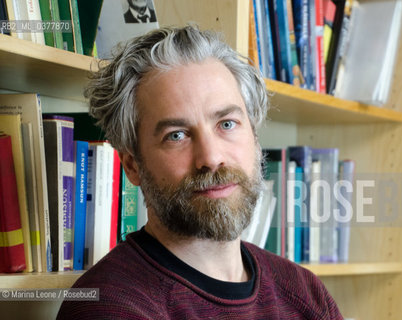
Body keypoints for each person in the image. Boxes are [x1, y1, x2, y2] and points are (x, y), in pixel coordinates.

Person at [57, 25, 343, 319]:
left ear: (255, 140)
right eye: (177, 135)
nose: (211, 157)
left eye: (227, 124)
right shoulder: (109, 307)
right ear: (132, 166)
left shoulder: (305, 293)